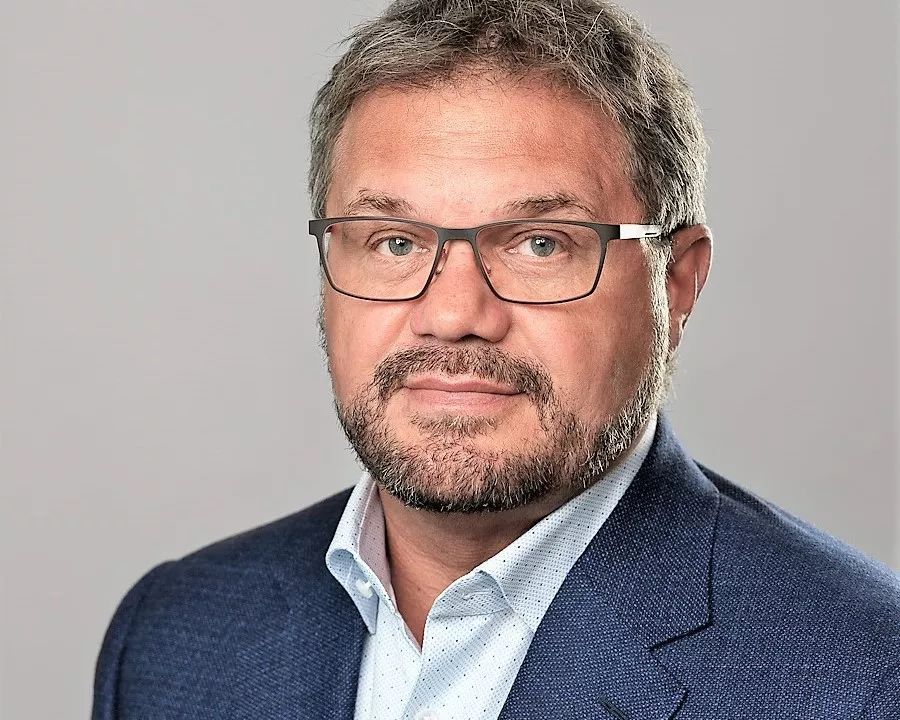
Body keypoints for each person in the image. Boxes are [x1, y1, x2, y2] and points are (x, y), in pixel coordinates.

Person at [92, 1, 899, 718]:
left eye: (541, 243)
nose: (453, 317)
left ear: (676, 284)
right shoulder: (175, 636)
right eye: (395, 242)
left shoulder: (861, 680)